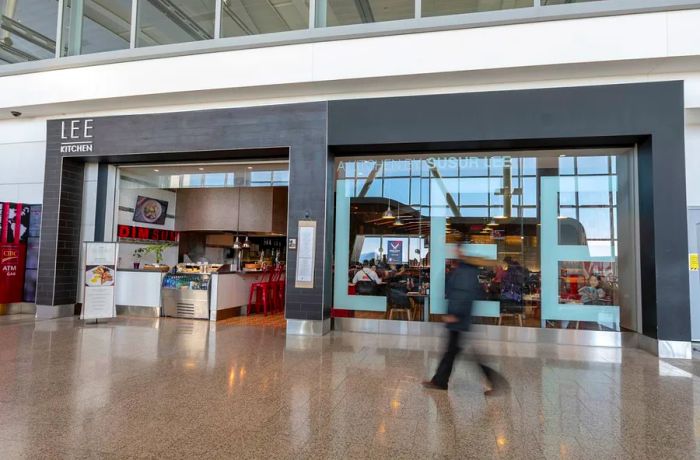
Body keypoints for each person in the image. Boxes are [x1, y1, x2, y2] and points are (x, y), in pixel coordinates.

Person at [423, 247, 493, 393]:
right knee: (452, 350)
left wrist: (455, 314)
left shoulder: (465, 272)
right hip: (460, 318)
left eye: (458, 249)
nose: (454, 252)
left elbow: (463, 294)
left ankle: (493, 380)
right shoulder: (465, 270)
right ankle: (440, 380)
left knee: (462, 352)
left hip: (458, 319)